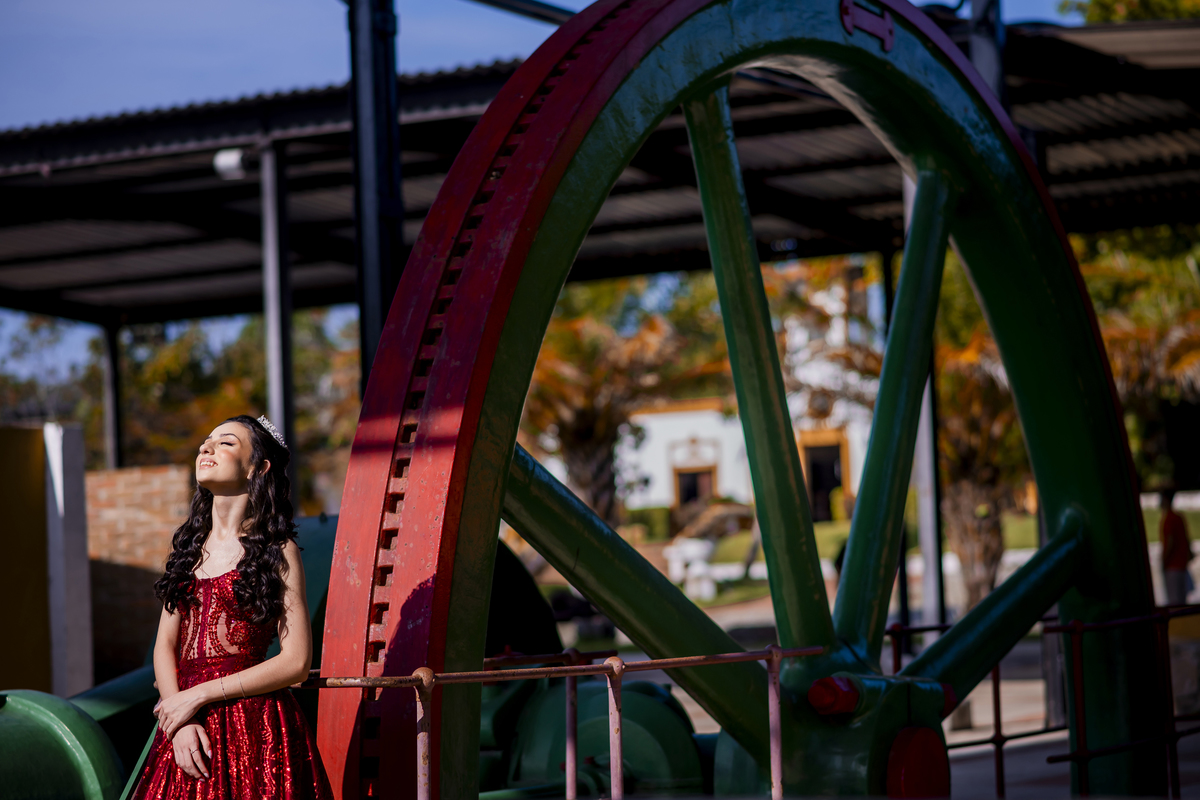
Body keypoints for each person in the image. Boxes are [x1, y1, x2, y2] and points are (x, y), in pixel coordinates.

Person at [131, 415, 332, 799]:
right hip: (187, 726)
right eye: (205, 442)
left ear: (258, 466)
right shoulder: (187, 552)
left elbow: (296, 662)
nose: (206, 448)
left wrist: (199, 695)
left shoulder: (278, 550)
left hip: (257, 729)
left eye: (225, 443)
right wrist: (179, 720)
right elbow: (164, 648)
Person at [1160, 489, 1193, 607]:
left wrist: (1163, 561)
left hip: (1172, 566)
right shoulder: (1179, 517)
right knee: (1182, 601)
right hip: (1182, 565)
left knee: (1174, 603)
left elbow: (1170, 541)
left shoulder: (1169, 518)